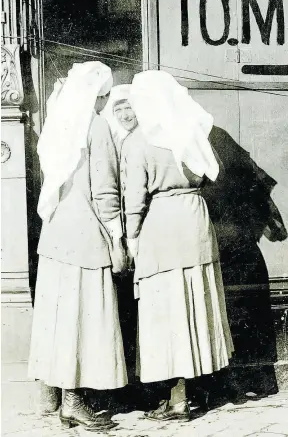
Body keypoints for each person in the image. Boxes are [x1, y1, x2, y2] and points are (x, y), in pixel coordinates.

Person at [122, 70, 234, 421]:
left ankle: (176, 400)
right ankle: (193, 392)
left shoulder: (139, 142)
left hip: (161, 226)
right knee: (195, 306)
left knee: (167, 311)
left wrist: (130, 238)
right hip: (195, 221)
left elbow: (135, 199)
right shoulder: (191, 132)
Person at [28, 61, 127, 431]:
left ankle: (55, 397)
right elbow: (105, 191)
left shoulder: (60, 124)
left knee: (59, 320)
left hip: (56, 236)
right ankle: (73, 401)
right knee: (82, 322)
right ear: (97, 96)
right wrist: (118, 240)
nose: (104, 103)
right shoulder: (96, 126)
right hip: (86, 238)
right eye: (104, 97)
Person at [101, 84, 135, 154]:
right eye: (118, 110)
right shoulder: (115, 141)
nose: (124, 116)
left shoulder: (150, 140)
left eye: (128, 108)